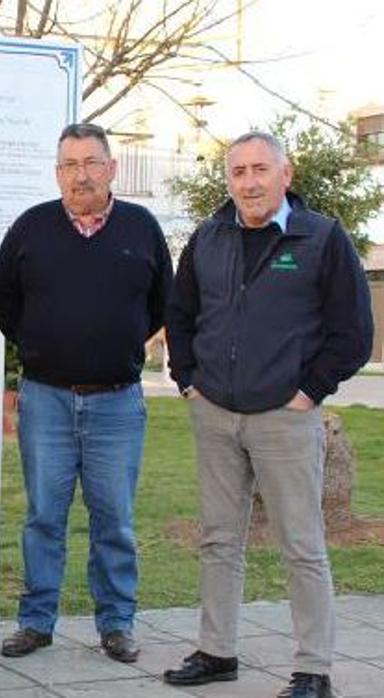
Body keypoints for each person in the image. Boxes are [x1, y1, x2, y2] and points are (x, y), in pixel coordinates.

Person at [162, 132, 373, 698]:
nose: (249, 183)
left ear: (287, 173)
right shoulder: (207, 238)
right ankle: (217, 651)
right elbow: (180, 317)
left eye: (260, 170)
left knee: (301, 544)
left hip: (286, 417)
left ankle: (313, 669)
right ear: (228, 180)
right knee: (218, 539)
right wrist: (189, 382)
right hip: (216, 414)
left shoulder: (322, 239)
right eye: (239, 173)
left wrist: (309, 392)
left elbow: (353, 334)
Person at [0, 123, 173, 663]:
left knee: (113, 518)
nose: (80, 174)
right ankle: (36, 621)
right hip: (47, 399)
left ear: (112, 168)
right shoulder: (32, 227)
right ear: (57, 172)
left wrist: (114, 340)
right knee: (44, 515)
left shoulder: (140, 227)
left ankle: (117, 623)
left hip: (117, 401)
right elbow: (2, 297)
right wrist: (43, 343)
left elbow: (164, 302)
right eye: (69, 164)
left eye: (91, 162)